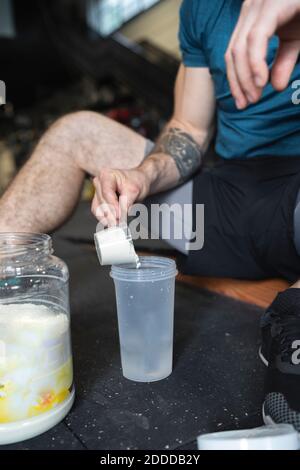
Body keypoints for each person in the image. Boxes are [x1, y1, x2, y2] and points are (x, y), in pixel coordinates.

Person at [1, 0, 300, 429]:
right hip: (223, 211)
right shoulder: (202, 9)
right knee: (77, 132)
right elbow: (190, 131)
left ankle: (292, 326)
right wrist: (142, 176)